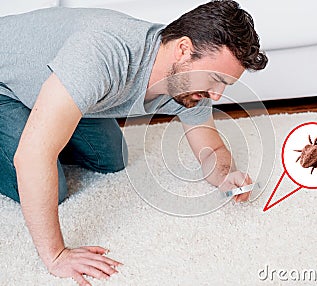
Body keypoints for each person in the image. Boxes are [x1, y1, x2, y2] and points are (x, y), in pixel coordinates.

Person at [0, 0, 267, 284]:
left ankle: (46, 115)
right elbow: (32, 157)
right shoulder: (104, 54)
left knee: (111, 158)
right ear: (183, 49)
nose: (217, 95)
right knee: (51, 184)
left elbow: (211, 148)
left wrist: (226, 176)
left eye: (225, 84)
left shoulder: (190, 85)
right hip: (5, 87)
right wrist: (56, 255)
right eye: (215, 79)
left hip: (50, 82)